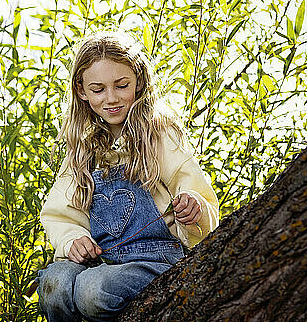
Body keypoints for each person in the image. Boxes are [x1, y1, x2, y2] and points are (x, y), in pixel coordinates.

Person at [36, 31, 219, 322]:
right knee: (54, 283)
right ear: (82, 91)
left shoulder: (157, 133)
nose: (111, 98)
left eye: (121, 86)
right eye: (98, 90)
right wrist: (74, 239)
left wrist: (193, 208)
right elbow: (61, 215)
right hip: (101, 260)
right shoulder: (83, 147)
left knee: (92, 290)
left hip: (156, 259)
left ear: (139, 82)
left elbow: (196, 192)